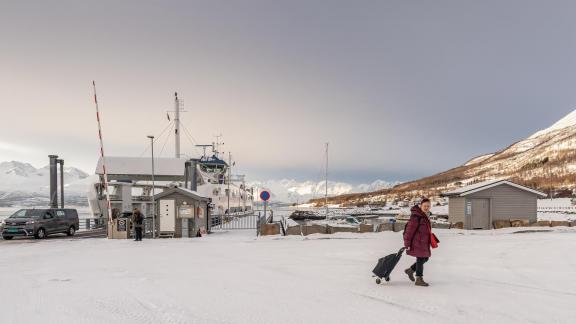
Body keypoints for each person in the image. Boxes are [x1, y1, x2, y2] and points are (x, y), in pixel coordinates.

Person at [403, 198, 433, 287]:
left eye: (428, 206)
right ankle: (419, 279)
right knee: (420, 259)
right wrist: (407, 244)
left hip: (423, 242)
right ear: (421, 206)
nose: (427, 207)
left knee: (425, 258)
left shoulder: (424, 215)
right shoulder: (416, 216)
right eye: (425, 206)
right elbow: (409, 231)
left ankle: (410, 270)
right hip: (417, 242)